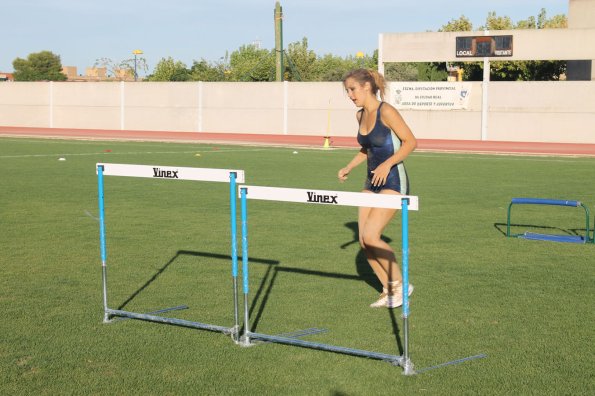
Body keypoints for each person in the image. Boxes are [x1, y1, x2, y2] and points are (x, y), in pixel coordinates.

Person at [338, 69, 417, 308]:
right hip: (370, 183)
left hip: (393, 181)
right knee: (364, 241)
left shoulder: (387, 111)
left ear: (366, 86)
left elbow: (411, 142)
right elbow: (367, 148)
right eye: (347, 91)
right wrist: (349, 166)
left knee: (372, 236)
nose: (350, 95)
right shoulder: (360, 115)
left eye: (352, 89)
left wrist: (387, 164)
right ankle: (388, 290)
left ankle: (401, 284)